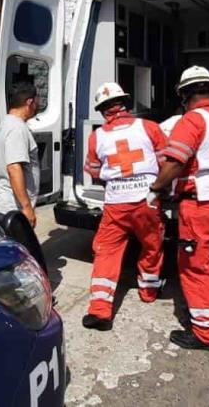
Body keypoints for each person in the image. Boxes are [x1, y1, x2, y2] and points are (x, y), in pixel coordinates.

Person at [148, 66, 209, 352]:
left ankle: (205, 334)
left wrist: (157, 187)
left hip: (201, 204)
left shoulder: (192, 121)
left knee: (194, 268)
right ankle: (207, 307)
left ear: (185, 94)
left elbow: (176, 161)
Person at [81, 83, 168, 331]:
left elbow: (94, 170)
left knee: (106, 251)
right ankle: (149, 292)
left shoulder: (97, 137)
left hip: (116, 202)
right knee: (152, 245)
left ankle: (99, 310)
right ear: (126, 104)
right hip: (147, 200)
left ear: (102, 111)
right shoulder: (150, 128)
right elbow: (166, 161)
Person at [0, 82, 40, 226]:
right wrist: (26, 207)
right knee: (18, 247)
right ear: (29, 102)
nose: (37, 106)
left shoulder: (5, 123)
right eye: (36, 102)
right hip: (13, 206)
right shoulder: (17, 129)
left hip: (6, 201)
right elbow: (13, 167)